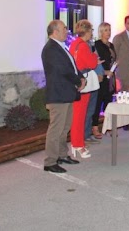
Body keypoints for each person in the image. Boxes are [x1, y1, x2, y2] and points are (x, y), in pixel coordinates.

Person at [41, 20, 84, 173]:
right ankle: (50, 161)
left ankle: (61, 155)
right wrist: (78, 80)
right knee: (56, 129)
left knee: (64, 127)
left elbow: (72, 66)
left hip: (66, 93)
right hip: (58, 95)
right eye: (64, 28)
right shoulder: (50, 49)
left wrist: (80, 77)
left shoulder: (61, 47)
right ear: (55, 31)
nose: (67, 31)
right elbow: (63, 70)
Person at [69, 19, 100, 159]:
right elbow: (92, 63)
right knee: (80, 116)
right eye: (91, 31)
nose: (91, 34)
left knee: (77, 115)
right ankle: (78, 144)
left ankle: (77, 143)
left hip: (75, 81)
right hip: (83, 82)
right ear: (87, 31)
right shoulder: (83, 46)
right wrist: (95, 56)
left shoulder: (74, 44)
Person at [93, 22, 116, 140]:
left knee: (108, 102)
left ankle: (108, 126)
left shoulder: (111, 45)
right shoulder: (97, 44)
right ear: (101, 31)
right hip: (101, 76)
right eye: (106, 30)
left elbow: (112, 59)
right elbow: (96, 60)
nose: (108, 32)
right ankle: (95, 126)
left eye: (109, 29)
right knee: (98, 102)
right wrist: (105, 71)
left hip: (111, 77)